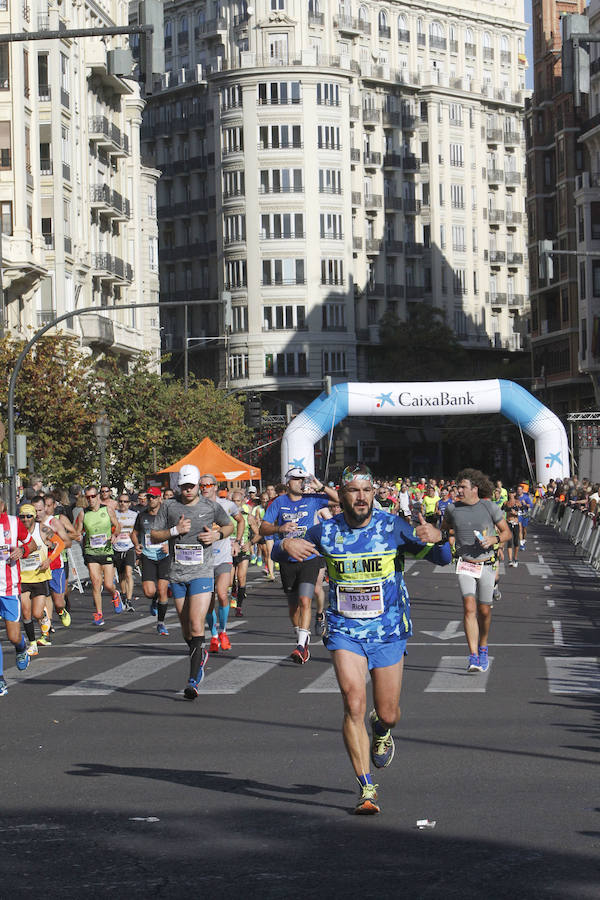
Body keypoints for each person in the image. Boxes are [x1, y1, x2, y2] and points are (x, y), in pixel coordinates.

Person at [281, 463, 451, 814]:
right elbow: (285, 553)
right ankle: (366, 788)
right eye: (354, 490)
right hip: (345, 631)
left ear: (374, 494)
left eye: (367, 490)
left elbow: (442, 557)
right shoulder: (325, 531)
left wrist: (439, 537)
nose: (361, 497)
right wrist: (283, 542)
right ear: (341, 495)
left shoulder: (392, 527)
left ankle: (382, 729)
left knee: (387, 712)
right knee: (353, 702)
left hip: (388, 632)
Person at [151, 464, 234, 698]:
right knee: (187, 629)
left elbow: (229, 525)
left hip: (202, 573)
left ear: (198, 485)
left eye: (192, 486)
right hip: (177, 574)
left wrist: (216, 535)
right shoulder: (169, 506)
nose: (188, 490)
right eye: (184, 486)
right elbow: (155, 535)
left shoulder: (210, 506)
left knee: (197, 625)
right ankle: (199, 653)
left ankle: (192, 680)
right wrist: (174, 531)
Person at [260, 467, 338, 664]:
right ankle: (301, 636)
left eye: (303, 479)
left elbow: (341, 500)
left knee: (305, 600)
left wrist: (321, 486)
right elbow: (263, 527)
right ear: (288, 482)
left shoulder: (313, 499)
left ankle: (301, 646)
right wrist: (280, 528)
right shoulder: (279, 502)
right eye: (296, 479)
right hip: (287, 559)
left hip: (310, 557)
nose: (301, 483)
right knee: (293, 606)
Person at [442, 469, 512, 673]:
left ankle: (483, 646)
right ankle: (473, 656)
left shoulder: (489, 507)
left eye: (462, 487)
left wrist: (493, 539)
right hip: (465, 564)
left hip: (487, 564)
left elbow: (506, 532)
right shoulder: (452, 509)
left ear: (475, 488)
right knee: (469, 607)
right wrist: (446, 534)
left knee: (484, 610)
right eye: (458, 487)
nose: (458, 490)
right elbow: (445, 529)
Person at [198, 474, 245, 652]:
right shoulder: (196, 506)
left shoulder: (227, 504)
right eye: (202, 485)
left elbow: (240, 520)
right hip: (204, 559)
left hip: (223, 556)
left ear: (215, 487)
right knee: (209, 600)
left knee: (222, 594)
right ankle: (214, 636)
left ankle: (224, 632)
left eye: (209, 485)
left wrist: (237, 542)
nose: (205, 488)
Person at [0, 496, 37, 694]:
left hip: (9, 588)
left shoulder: (14, 523)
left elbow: (32, 545)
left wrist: (22, 549)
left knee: (13, 636)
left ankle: (21, 648)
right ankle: (0, 679)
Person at [79, 485, 122, 626]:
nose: (90, 499)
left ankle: (115, 594)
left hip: (107, 551)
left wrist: (115, 535)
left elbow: (117, 525)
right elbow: (77, 531)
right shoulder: (83, 513)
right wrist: (77, 536)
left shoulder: (107, 509)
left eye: (92, 496)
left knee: (108, 584)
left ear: (98, 496)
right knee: (96, 583)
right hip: (91, 552)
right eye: (87, 497)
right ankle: (99, 613)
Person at [132, 487, 171, 634]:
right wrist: (137, 545)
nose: (151, 500)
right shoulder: (142, 516)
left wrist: (169, 545)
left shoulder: (167, 516)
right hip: (148, 556)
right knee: (149, 592)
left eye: (154, 497)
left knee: (162, 590)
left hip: (164, 557)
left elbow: (176, 533)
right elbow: (134, 534)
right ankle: (154, 600)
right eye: (149, 497)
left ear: (160, 498)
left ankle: (161, 623)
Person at [230, 488, 260, 618]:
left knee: (241, 577)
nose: (235, 503)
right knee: (230, 581)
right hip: (229, 550)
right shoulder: (226, 516)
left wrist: (249, 543)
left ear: (243, 502)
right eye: (233, 501)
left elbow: (259, 534)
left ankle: (239, 606)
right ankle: (234, 593)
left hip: (243, 550)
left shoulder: (249, 517)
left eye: (238, 501)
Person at [113, 491, 138, 612]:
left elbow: (137, 532)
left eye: (125, 501)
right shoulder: (113, 514)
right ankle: (123, 594)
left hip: (129, 547)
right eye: (121, 501)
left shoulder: (134, 515)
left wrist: (138, 544)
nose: (123, 503)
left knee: (128, 573)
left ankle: (129, 600)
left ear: (129, 503)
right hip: (117, 548)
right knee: (121, 575)